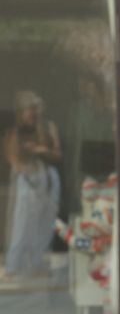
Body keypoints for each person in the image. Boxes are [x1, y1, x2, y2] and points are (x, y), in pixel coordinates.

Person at [3, 91, 63, 280]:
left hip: (48, 178)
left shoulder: (48, 127)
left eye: (35, 109)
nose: (33, 113)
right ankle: (13, 266)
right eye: (29, 110)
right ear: (21, 112)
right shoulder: (16, 132)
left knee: (45, 223)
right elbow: (13, 158)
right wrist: (27, 170)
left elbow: (57, 155)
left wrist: (41, 150)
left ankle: (37, 264)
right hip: (27, 180)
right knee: (21, 224)